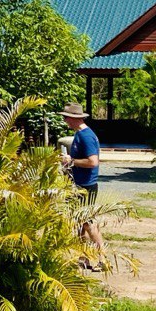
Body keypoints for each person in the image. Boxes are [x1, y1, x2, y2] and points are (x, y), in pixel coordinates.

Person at [60, 102, 105, 264]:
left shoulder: (86, 136)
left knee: (88, 223)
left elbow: (93, 162)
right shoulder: (79, 134)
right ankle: (84, 257)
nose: (65, 120)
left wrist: (71, 161)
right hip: (80, 183)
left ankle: (103, 257)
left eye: (66, 117)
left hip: (87, 185)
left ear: (73, 118)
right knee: (80, 222)